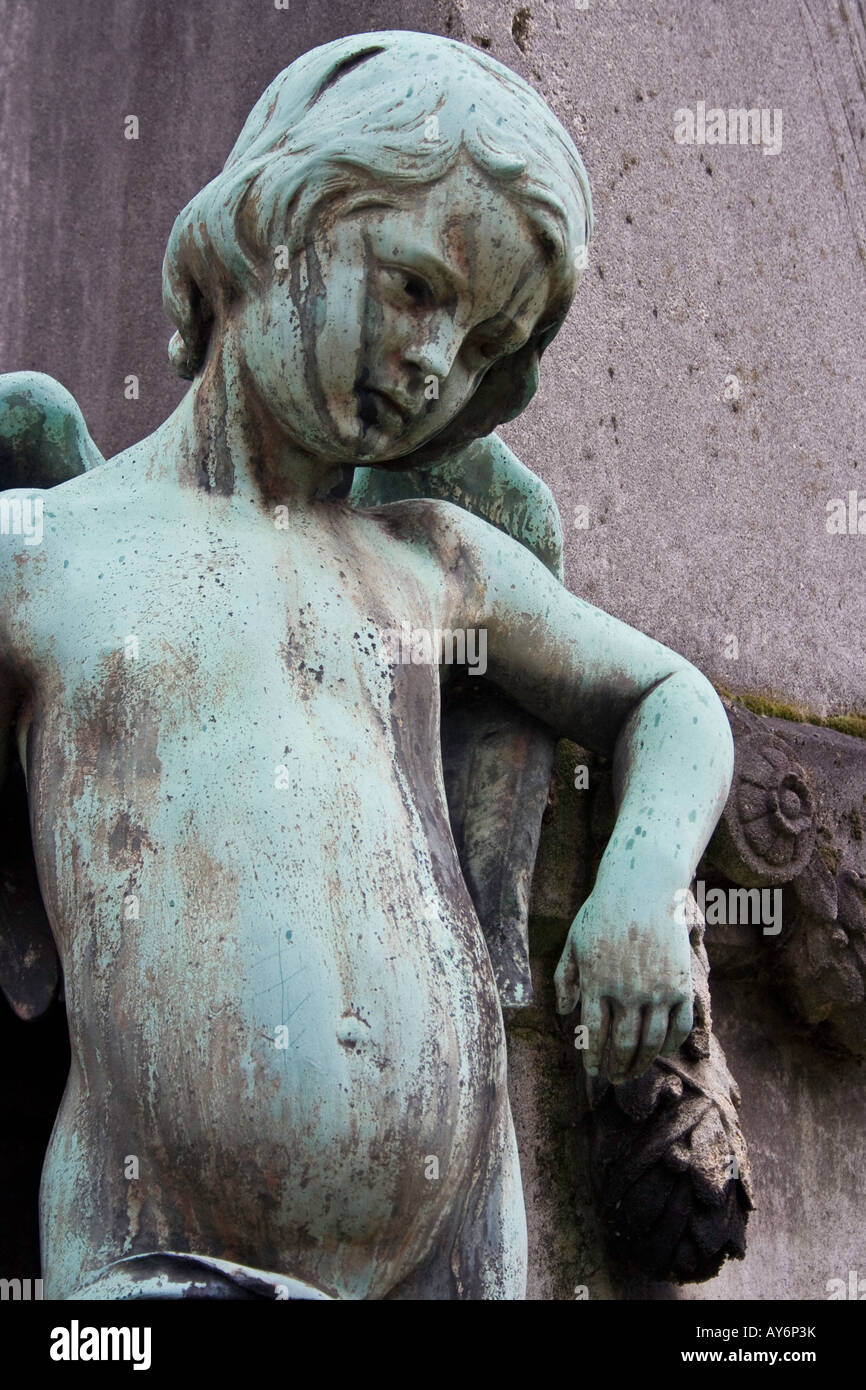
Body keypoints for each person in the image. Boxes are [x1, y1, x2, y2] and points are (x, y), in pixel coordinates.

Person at [0, 31, 733, 1299]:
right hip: (157, 1260)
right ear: (266, 219)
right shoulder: (44, 554)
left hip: (455, 1249)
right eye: (414, 288)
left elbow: (670, 698)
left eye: (479, 341)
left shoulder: (430, 560)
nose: (434, 362)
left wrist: (642, 886)